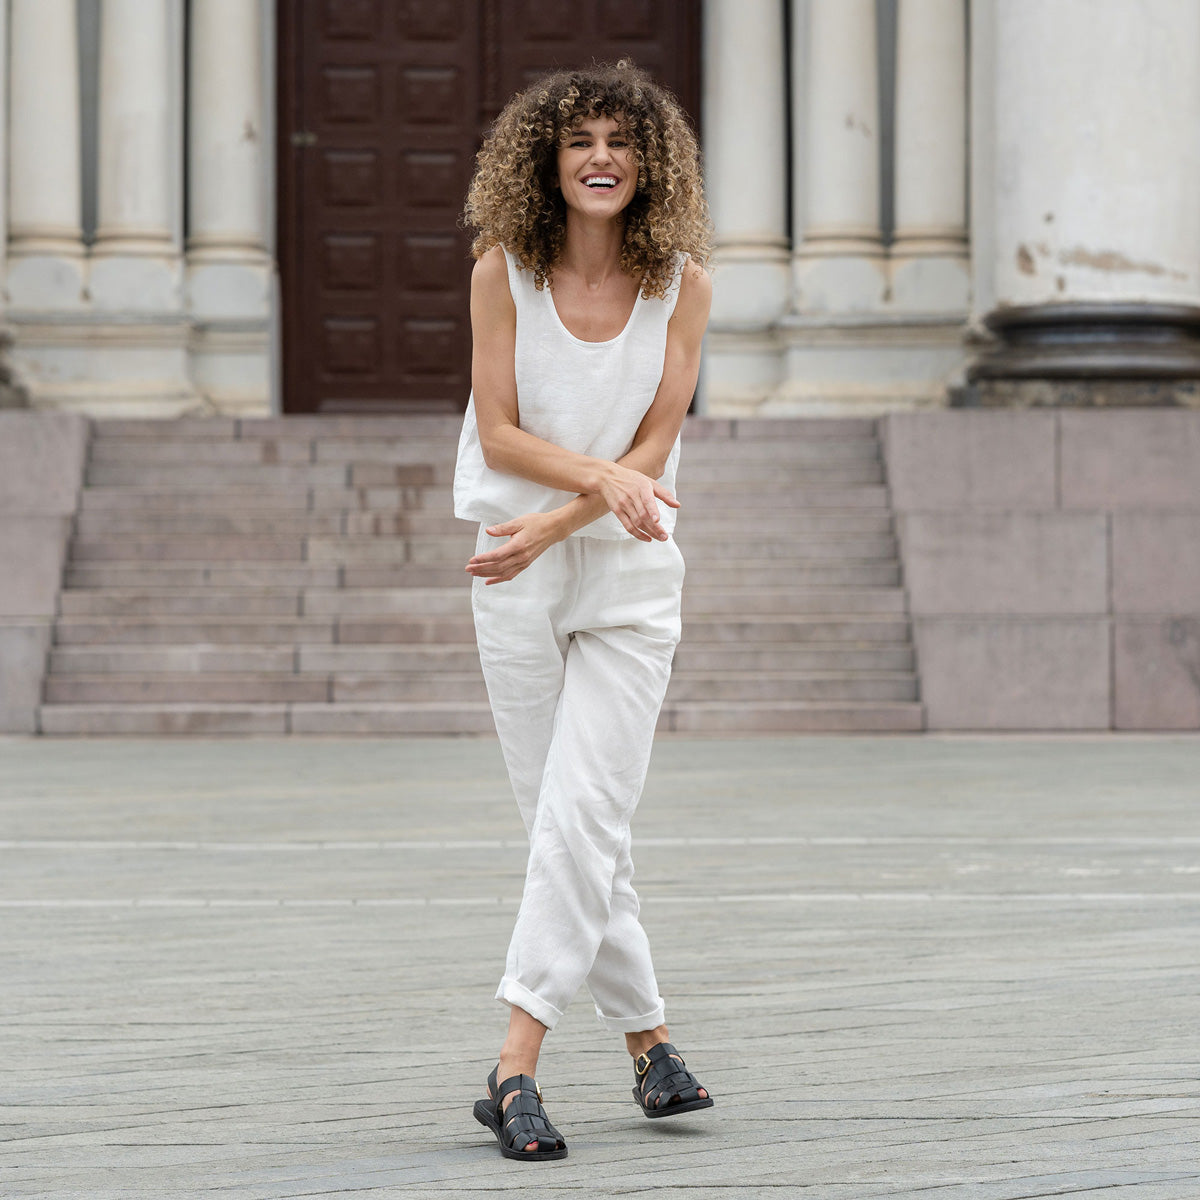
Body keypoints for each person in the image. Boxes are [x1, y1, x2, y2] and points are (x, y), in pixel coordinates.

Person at [454, 59, 714, 1162]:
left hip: (623, 569)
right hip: (516, 572)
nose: (602, 157)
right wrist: (591, 492)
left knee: (584, 811)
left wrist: (582, 511)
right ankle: (651, 1040)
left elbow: (657, 438)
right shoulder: (501, 272)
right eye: (580, 142)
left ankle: (514, 1065)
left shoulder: (683, 283)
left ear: (650, 164)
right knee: (568, 823)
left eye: (622, 141)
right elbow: (500, 430)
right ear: (547, 163)